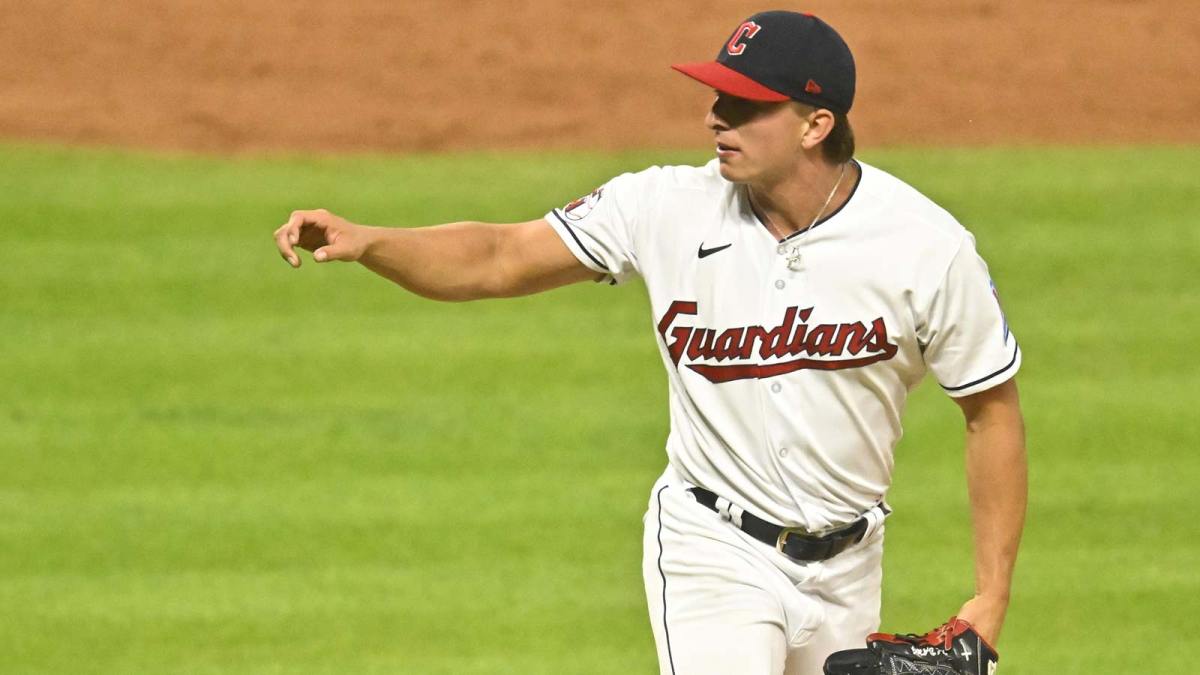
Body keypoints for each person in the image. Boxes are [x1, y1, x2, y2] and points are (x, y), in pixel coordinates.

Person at [272, 11, 1026, 675]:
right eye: (717, 95)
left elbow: (990, 410)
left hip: (850, 564)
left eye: (745, 104)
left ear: (814, 124)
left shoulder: (925, 246)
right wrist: (372, 240)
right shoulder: (665, 205)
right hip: (713, 548)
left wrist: (989, 600)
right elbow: (499, 256)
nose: (715, 117)